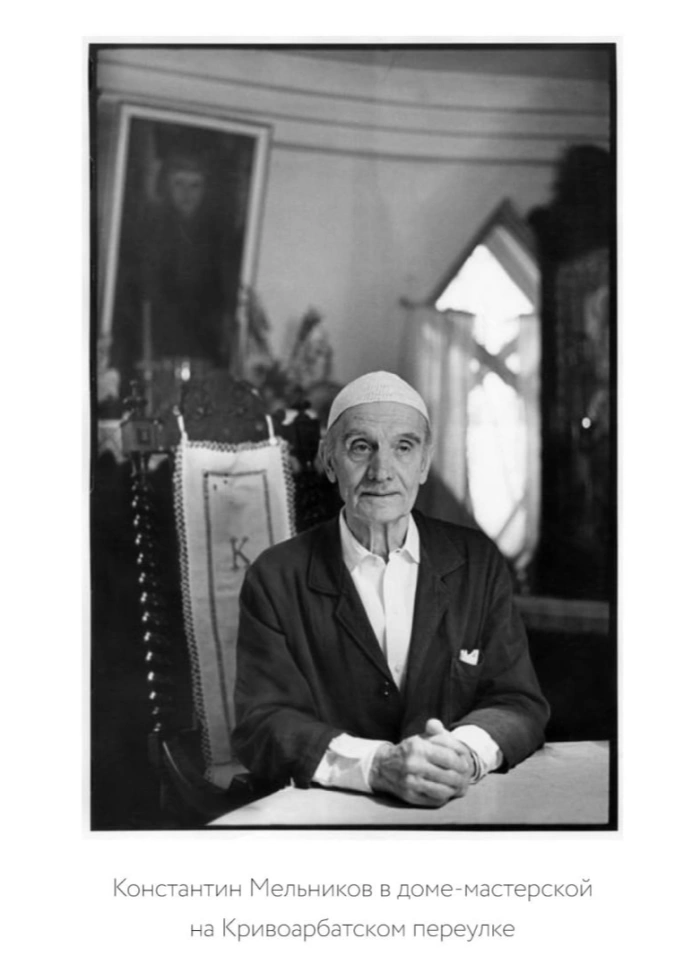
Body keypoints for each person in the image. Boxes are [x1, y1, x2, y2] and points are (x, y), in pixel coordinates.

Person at [232, 371, 549, 808]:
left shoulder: (477, 562)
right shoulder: (275, 576)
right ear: (328, 461)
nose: (382, 472)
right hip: (330, 818)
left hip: (459, 809)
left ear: (424, 463)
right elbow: (262, 724)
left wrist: (461, 755)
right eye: (361, 447)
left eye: (404, 447)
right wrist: (376, 765)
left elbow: (517, 702)